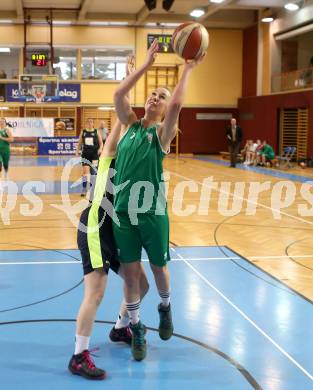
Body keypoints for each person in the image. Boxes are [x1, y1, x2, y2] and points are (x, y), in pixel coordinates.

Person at [112, 39, 205, 361]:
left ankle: (165, 306)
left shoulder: (161, 135)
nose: (156, 97)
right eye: (153, 94)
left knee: (159, 268)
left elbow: (178, 105)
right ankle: (136, 327)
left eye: (162, 97)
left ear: (165, 109)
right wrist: (145, 68)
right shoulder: (130, 125)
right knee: (131, 274)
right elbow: (118, 95)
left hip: (152, 211)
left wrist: (188, 69)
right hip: (122, 212)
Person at [68, 57, 150, 380]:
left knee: (141, 284)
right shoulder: (111, 152)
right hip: (96, 225)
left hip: (116, 230)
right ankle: (78, 356)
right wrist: (132, 77)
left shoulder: (137, 159)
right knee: (96, 292)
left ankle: (120, 328)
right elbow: (122, 110)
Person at [76, 118, 103, 197]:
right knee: (85, 173)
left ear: (93, 123)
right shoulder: (83, 132)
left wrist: (100, 149)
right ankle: (84, 189)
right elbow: (79, 143)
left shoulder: (96, 132)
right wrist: (77, 150)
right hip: (85, 155)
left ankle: (94, 189)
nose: (90, 123)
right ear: (86, 123)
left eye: (91, 122)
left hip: (94, 155)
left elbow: (101, 143)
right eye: (88, 122)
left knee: (93, 173)